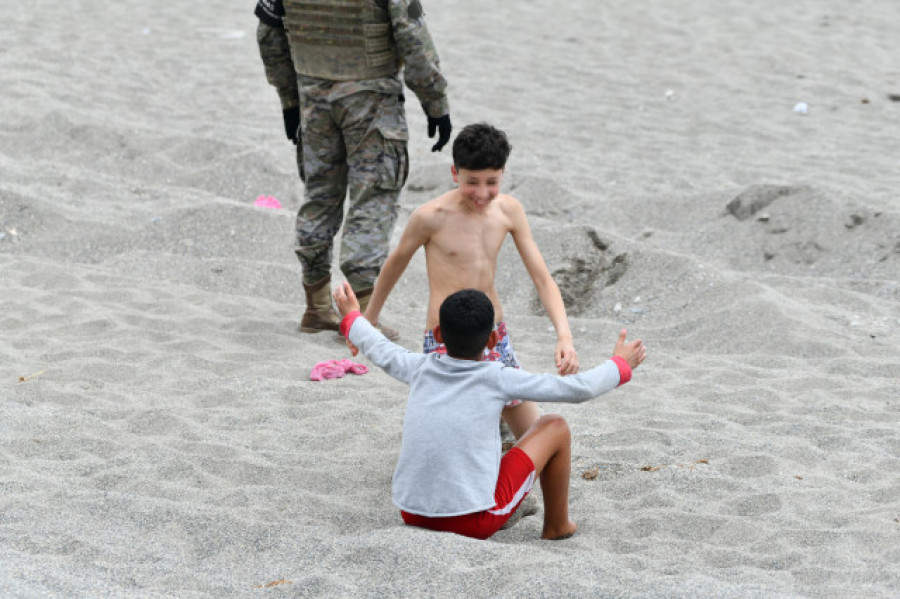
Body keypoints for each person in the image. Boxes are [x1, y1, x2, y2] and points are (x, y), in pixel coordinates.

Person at [333, 283, 646, 540]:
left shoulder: (418, 366)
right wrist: (619, 364)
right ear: (494, 340)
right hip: (474, 521)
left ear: (438, 335)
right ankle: (557, 526)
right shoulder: (498, 376)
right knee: (555, 426)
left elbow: (377, 346)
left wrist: (351, 317)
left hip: (411, 512)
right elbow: (577, 389)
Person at [357, 122, 578, 441]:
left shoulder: (508, 211)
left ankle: (499, 430)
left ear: (503, 174)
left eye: (492, 182)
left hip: (494, 336)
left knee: (533, 434)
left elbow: (542, 278)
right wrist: (368, 321)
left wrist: (564, 336)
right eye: (472, 182)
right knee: (449, 435)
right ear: (454, 173)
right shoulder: (430, 216)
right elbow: (394, 265)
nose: (482, 193)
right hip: (446, 341)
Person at [255, 0, 452, 338]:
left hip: (313, 96)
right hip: (370, 97)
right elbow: (412, 37)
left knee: (319, 195)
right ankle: (361, 319)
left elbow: (268, 34)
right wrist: (435, 103)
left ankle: (317, 308)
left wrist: (290, 99)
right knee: (373, 198)